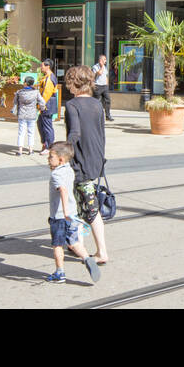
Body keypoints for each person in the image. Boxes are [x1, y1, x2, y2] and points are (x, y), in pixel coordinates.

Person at [64, 65, 110, 265]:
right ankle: (78, 243)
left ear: (74, 83)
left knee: (90, 209)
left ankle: (102, 251)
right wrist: (101, 158)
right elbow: (101, 133)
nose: (67, 86)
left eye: (68, 82)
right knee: (79, 203)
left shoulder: (72, 105)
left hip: (79, 161)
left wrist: (61, 152)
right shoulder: (97, 104)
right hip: (96, 158)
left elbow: (74, 134)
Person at [45, 141, 101, 285]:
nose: (48, 159)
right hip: (73, 214)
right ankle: (87, 258)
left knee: (57, 245)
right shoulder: (69, 169)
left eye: (51, 156)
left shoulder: (57, 174)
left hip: (60, 216)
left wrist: (64, 212)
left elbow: (62, 190)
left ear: (61, 159)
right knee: (74, 242)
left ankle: (59, 273)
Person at [14, 75, 46, 156]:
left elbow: (14, 102)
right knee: (31, 132)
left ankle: (20, 151)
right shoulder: (36, 92)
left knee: (21, 132)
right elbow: (42, 102)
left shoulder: (19, 92)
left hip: (22, 114)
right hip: (32, 115)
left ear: (26, 83)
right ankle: (30, 150)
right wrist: (41, 109)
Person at [36, 59, 58, 154]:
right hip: (46, 105)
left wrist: (40, 105)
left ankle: (49, 146)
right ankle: (45, 143)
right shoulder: (47, 77)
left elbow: (46, 95)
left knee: (47, 126)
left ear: (47, 66)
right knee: (41, 123)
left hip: (47, 106)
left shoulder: (49, 79)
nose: (41, 68)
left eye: (42, 66)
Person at [92, 54, 112, 120]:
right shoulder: (95, 67)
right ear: (100, 60)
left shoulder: (105, 67)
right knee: (97, 101)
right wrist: (102, 66)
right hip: (97, 86)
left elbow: (106, 76)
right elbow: (99, 73)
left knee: (107, 100)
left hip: (104, 86)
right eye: (104, 59)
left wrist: (107, 85)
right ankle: (95, 116)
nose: (105, 61)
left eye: (105, 59)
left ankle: (108, 116)